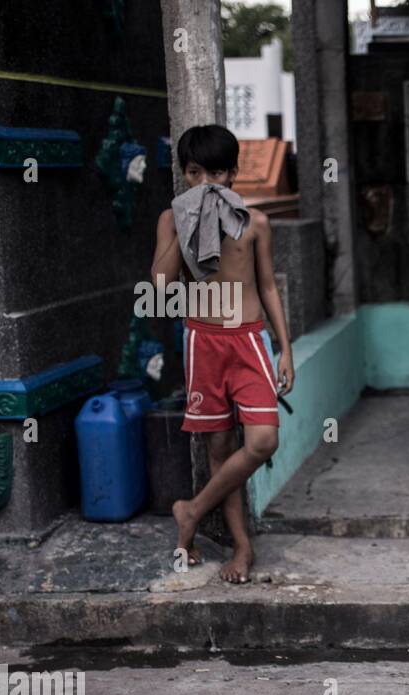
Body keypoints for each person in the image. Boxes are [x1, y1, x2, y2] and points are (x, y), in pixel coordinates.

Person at [153, 125, 294, 584]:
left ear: (234, 173)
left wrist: (285, 350)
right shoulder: (171, 220)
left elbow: (269, 286)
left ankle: (190, 511)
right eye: (195, 174)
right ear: (184, 175)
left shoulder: (255, 223)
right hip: (204, 342)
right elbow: (161, 288)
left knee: (261, 441)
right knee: (220, 447)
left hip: (249, 340)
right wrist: (186, 220)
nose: (206, 183)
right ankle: (242, 547)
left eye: (216, 173)